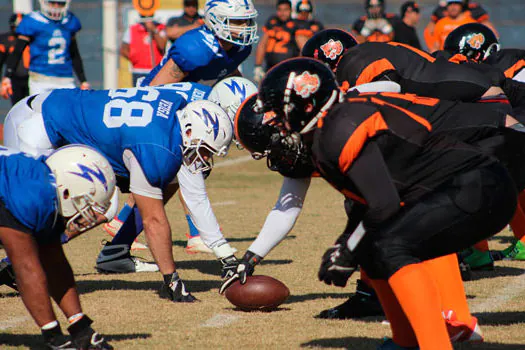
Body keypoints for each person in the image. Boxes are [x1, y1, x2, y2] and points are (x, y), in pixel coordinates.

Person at [250, 57, 518, 349]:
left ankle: (435, 343)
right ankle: (405, 342)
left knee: (392, 247)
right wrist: (347, 245)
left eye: (278, 111)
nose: (274, 121)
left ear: (307, 104)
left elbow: (384, 206)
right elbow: (367, 204)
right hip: (460, 186)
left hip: (478, 185)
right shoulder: (330, 130)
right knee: (373, 249)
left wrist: (348, 250)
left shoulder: (339, 128)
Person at [2, 87, 235, 302]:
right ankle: (15, 262)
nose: (205, 159)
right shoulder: (157, 146)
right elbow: (153, 220)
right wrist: (171, 279)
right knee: (33, 211)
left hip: (58, 114)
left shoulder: (176, 109)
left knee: (101, 207)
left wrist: (224, 253)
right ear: (189, 130)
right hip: (37, 124)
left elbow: (191, 194)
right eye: (205, 151)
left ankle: (13, 264)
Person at [99, 78, 257, 269]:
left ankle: (116, 248)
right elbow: (195, 194)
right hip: (126, 133)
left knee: (167, 183)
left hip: (132, 124)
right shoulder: (197, 115)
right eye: (237, 118)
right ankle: (119, 236)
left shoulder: (205, 101)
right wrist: (223, 251)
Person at [0, 145, 115, 349]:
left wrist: (80, 327)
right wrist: (54, 336)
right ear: (68, 190)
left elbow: (55, 262)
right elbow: (25, 267)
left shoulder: (46, 185)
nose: (85, 217)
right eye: (86, 206)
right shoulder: (30, 194)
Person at [141, 0, 258, 87]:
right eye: (237, 21)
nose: (245, 27)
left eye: (247, 20)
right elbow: (156, 89)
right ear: (215, 21)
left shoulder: (241, 47)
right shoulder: (196, 48)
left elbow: (228, 70)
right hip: (160, 101)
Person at [1, 0, 90, 97]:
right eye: (52, 2)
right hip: (40, 79)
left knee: (70, 111)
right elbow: (17, 52)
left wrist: (83, 80)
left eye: (60, 3)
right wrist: (7, 77)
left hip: (65, 79)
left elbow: (74, 53)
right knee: (39, 110)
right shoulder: (32, 21)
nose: (56, 6)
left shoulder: (69, 21)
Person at [253, 0, 307, 84]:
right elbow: (262, 45)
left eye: (285, 10)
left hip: (288, 70)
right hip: (270, 68)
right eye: (280, 10)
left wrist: (299, 66)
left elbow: (303, 48)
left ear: (290, 10)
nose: (282, 13)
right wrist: (258, 66)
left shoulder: (296, 25)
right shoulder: (272, 22)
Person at [424, 0, 495, 51]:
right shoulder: (441, 23)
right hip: (445, 59)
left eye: (456, 4)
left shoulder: (471, 23)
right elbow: (436, 45)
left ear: (461, 5)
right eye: (450, 4)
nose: (453, 7)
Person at [120, 14, 167, 87]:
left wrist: (154, 30)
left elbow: (162, 45)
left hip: (157, 70)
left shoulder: (161, 28)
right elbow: (123, 50)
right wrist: (135, 58)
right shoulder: (132, 29)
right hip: (138, 71)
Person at [0, 14, 29, 105]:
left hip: (32, 76)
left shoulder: (34, 38)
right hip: (15, 77)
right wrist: (4, 79)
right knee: (17, 106)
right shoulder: (6, 40)